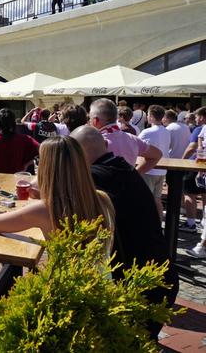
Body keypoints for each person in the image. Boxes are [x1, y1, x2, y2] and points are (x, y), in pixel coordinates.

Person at [70, 126, 178, 340]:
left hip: (140, 284)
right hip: (161, 275)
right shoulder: (124, 168)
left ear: (79, 153)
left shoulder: (94, 177)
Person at [0, 136, 115, 240]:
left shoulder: (45, 210)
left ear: (47, 167)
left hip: (63, 277)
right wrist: (42, 195)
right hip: (99, 276)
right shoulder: (102, 199)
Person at [88, 98, 161, 171]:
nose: (89, 122)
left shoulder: (94, 142)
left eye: (89, 119)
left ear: (95, 121)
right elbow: (157, 155)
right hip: (128, 181)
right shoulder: (133, 139)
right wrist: (135, 174)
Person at [0, 108, 39, 174]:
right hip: (18, 180)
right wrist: (27, 164)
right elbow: (43, 150)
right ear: (13, 123)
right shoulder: (25, 139)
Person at [137, 105, 171, 220]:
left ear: (151, 116)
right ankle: (158, 223)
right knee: (157, 199)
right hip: (162, 170)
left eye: (148, 114)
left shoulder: (147, 132)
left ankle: (147, 225)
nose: (147, 116)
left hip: (149, 169)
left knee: (145, 200)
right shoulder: (167, 131)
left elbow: (136, 147)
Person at [181, 107, 206, 233]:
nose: (195, 119)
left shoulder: (199, 129)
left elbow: (192, 147)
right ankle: (203, 222)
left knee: (189, 193)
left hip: (196, 164)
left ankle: (190, 223)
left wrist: (182, 160)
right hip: (203, 167)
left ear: (202, 117)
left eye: (197, 116)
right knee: (204, 193)